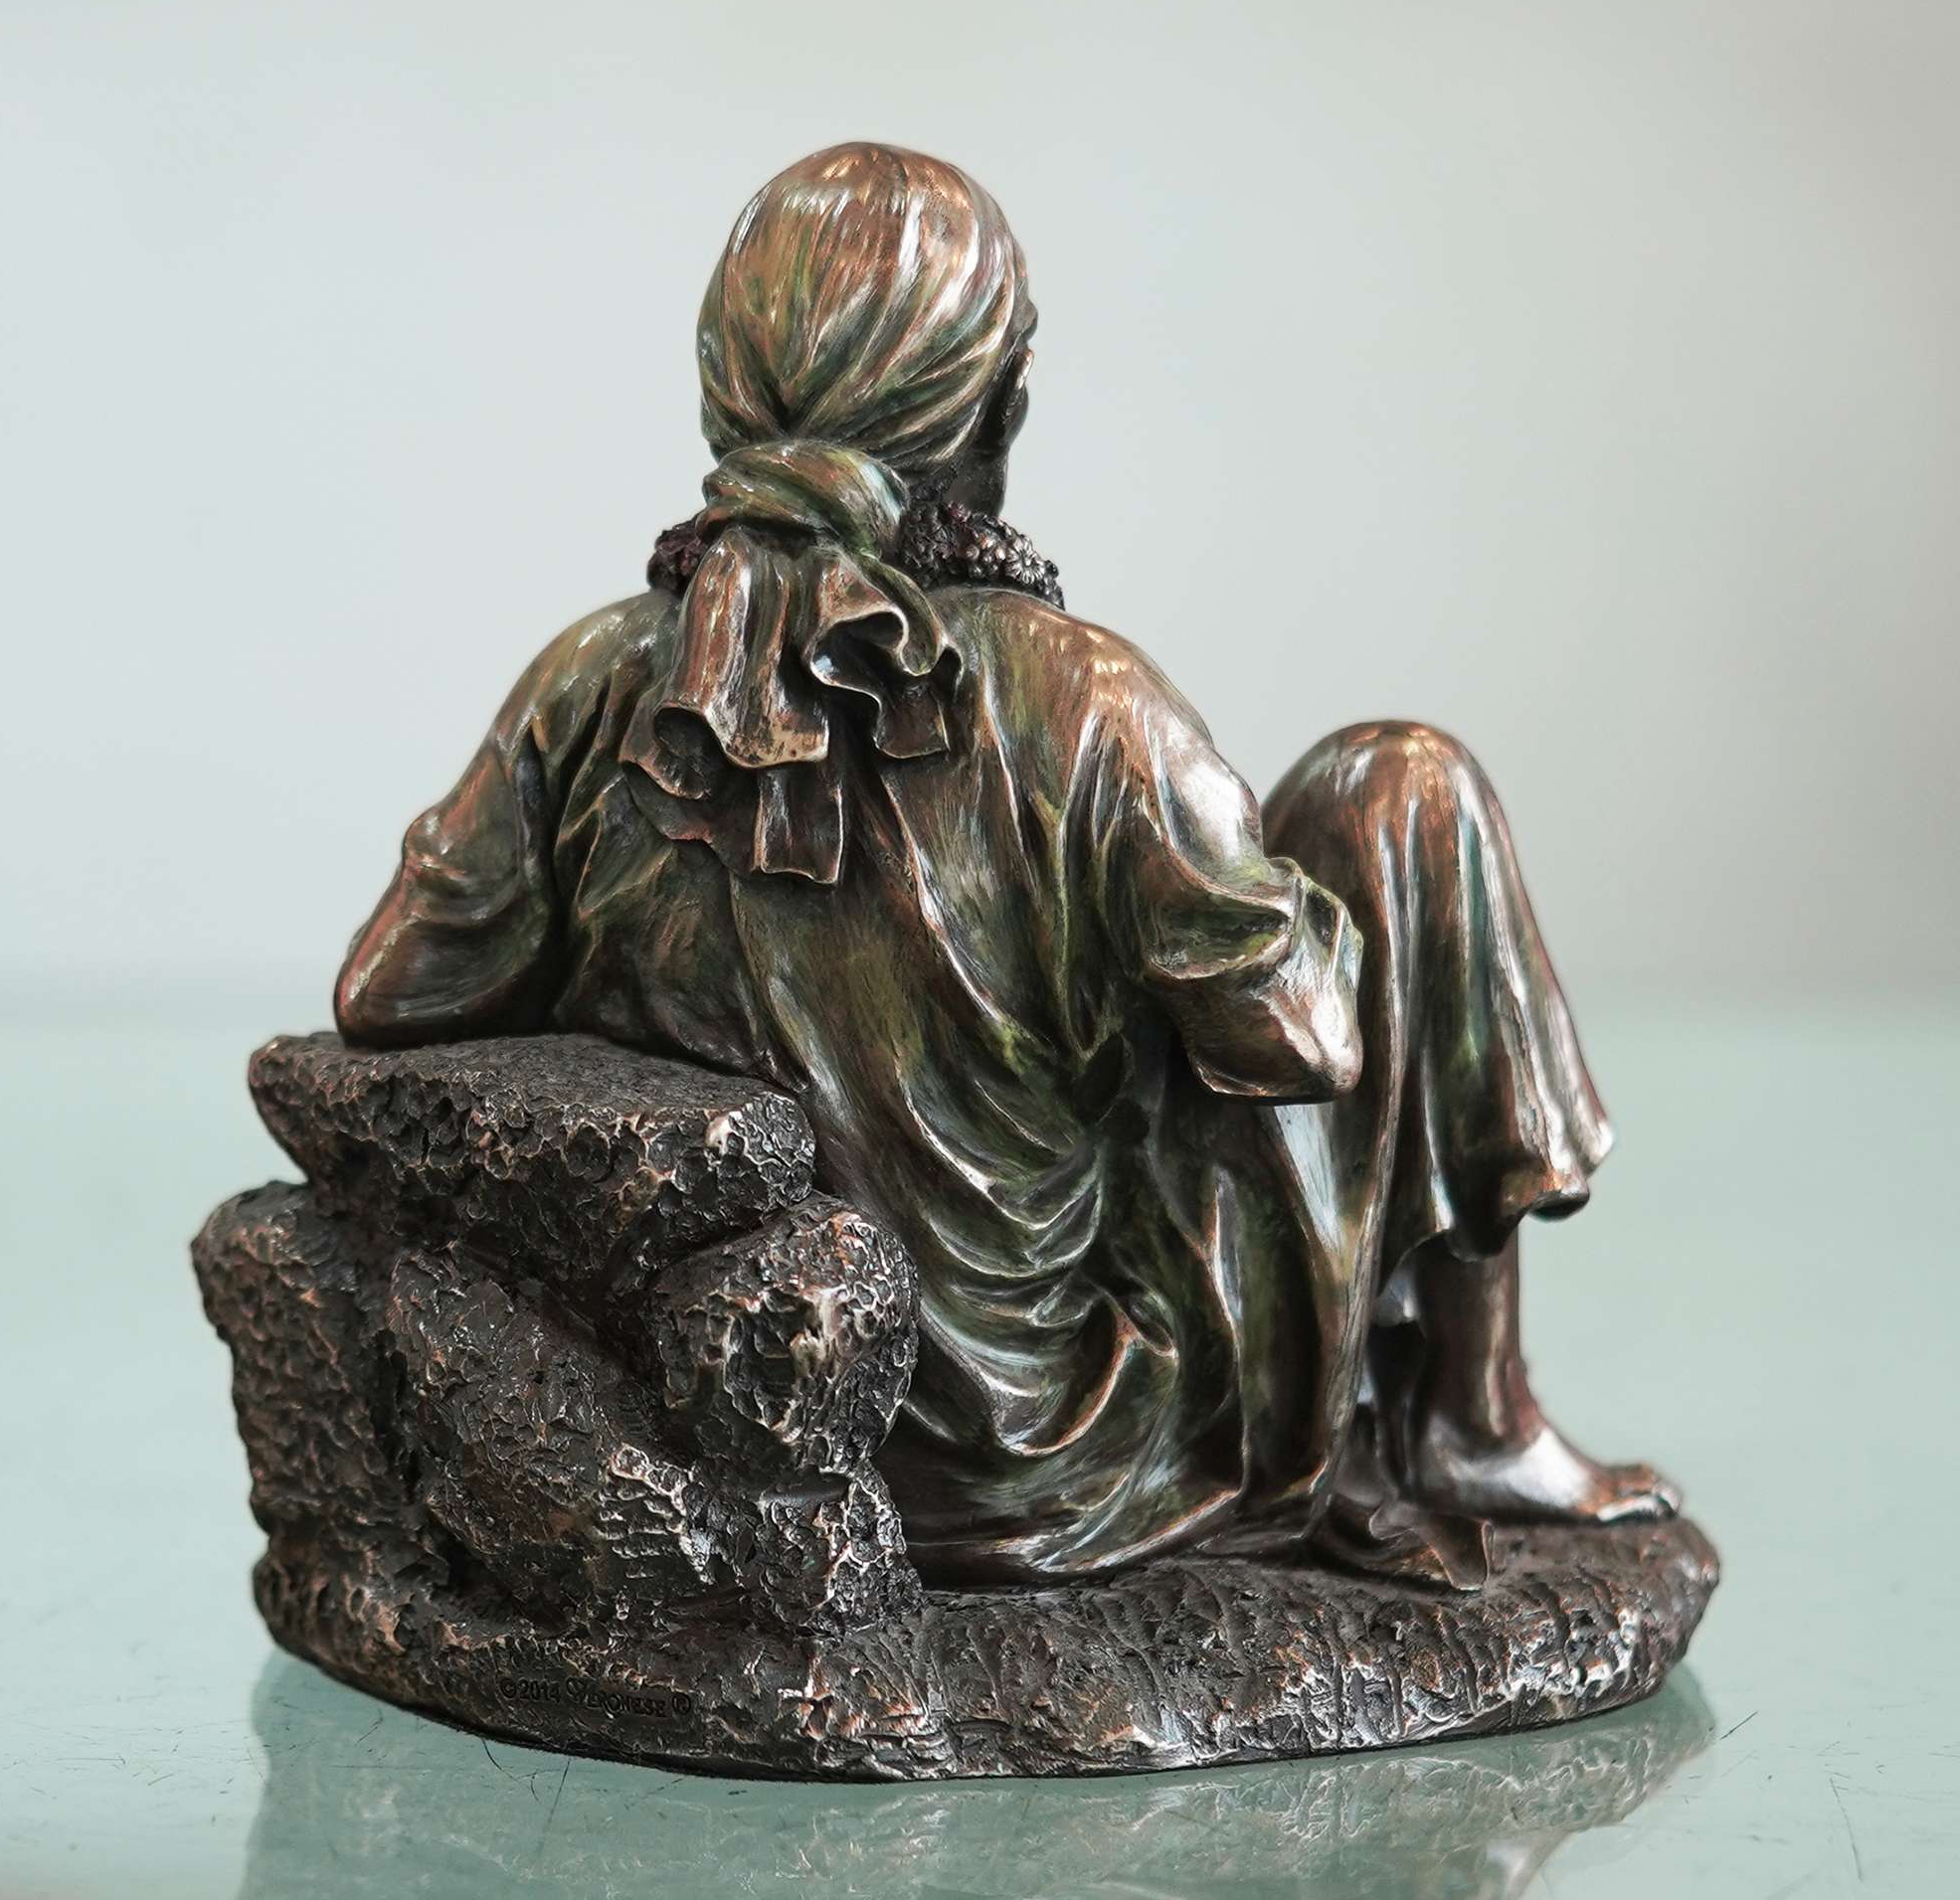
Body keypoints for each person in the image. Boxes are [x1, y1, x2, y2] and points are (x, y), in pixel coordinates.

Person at [336, 143, 1676, 1589]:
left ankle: (1472, 1420)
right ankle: (1473, 1414)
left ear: (721, 390)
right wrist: (1177, 905)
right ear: (1000, 403)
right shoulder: (1082, 699)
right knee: (1403, 793)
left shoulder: (595, 680)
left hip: (763, 1408)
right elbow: (1301, 1039)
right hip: (1055, 1453)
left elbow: (394, 990)